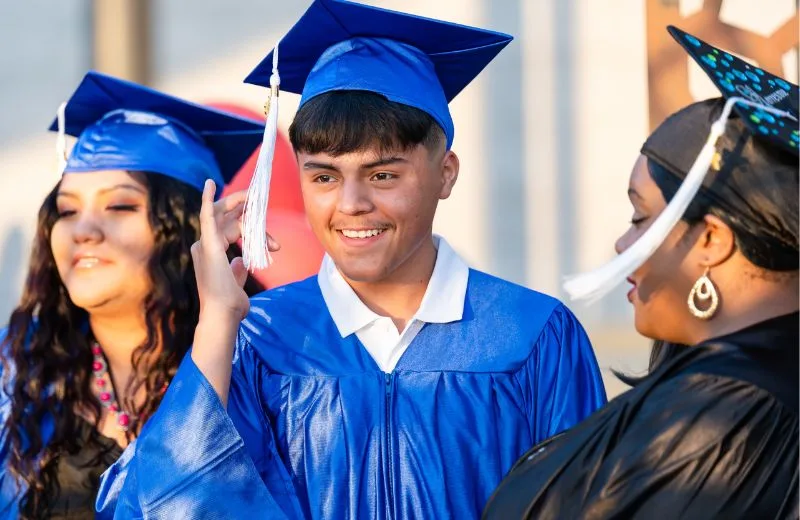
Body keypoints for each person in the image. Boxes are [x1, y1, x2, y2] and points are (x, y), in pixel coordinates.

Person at [96, 1, 607, 518]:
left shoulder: (533, 336)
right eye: (323, 176)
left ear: (446, 173)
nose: (351, 203)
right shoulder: (261, 341)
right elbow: (153, 505)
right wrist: (215, 324)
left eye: (384, 175)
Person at [482, 26, 799, 519]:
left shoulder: (720, 414)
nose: (623, 244)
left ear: (711, 240)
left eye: (640, 218)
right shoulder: (754, 383)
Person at [0, 71, 265, 519]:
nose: (83, 230)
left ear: (186, 228)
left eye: (119, 205)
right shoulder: (16, 371)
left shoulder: (267, 368)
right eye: (66, 210)